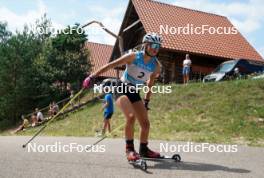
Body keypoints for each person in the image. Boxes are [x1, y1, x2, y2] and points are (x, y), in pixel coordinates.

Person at [83, 32, 162, 161]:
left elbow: (150, 83)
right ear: (146, 45)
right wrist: (92, 76)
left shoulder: (156, 66)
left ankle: (144, 149)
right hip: (121, 88)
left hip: (134, 91)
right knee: (131, 117)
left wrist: (146, 101)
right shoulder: (133, 57)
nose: (155, 49)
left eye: (158, 47)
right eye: (153, 45)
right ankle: (129, 150)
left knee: (146, 124)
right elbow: (110, 65)